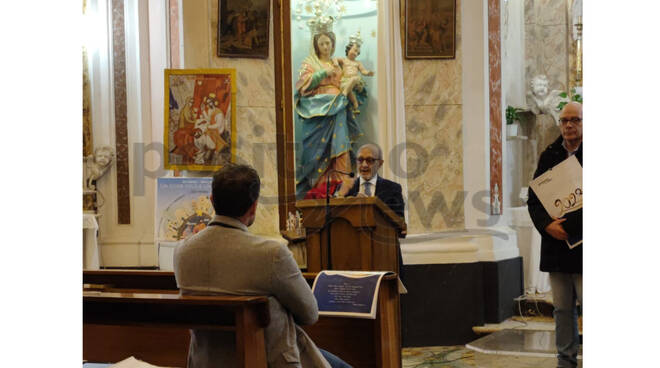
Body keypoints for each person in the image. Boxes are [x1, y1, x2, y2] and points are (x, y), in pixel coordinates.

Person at [174, 164, 351, 368]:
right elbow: (310, 313)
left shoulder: (182, 252)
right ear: (254, 207)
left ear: (212, 200)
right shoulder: (271, 254)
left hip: (206, 361)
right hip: (265, 360)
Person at [527, 102, 583, 368]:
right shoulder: (549, 155)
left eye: (575, 120)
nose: (569, 125)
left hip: (585, 247)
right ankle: (566, 361)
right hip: (557, 249)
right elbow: (534, 200)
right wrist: (548, 226)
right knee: (562, 310)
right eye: (564, 121)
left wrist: (569, 227)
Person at [295, 31, 362, 199]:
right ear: (316, 46)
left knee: (341, 146)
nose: (326, 46)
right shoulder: (309, 62)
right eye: (322, 43)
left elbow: (347, 79)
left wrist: (357, 83)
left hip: (338, 108)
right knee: (315, 153)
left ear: (333, 44)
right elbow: (302, 85)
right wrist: (324, 73)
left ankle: (342, 186)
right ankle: (319, 189)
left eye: (328, 43)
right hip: (316, 112)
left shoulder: (338, 62)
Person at [336, 143, 406, 277]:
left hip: (385, 257)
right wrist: (341, 196)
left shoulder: (392, 189)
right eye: (360, 160)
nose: (364, 165)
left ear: (380, 163)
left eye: (369, 160)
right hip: (351, 259)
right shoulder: (345, 189)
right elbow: (331, 219)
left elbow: (400, 224)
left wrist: (370, 207)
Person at [336, 39, 373, 113]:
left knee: (353, 79)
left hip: (356, 81)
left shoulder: (357, 63)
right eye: (355, 50)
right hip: (345, 80)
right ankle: (355, 105)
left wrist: (368, 73)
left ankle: (344, 94)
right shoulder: (343, 60)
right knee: (348, 88)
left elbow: (363, 71)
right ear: (348, 49)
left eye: (358, 52)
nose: (356, 53)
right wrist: (335, 64)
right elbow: (334, 59)